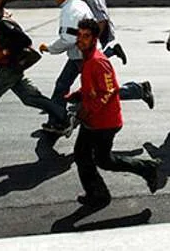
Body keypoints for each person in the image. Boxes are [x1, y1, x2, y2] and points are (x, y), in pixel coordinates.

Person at [0, 0, 72, 152]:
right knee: (30, 98)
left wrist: (3, 52)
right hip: (7, 67)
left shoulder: (3, 22)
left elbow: (24, 41)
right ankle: (64, 117)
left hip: (10, 67)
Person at [67, 19, 160, 208]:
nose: (81, 40)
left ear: (94, 39)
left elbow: (110, 91)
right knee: (98, 159)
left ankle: (100, 193)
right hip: (92, 121)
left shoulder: (98, 61)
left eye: (86, 36)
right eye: (79, 35)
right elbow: (93, 87)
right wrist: (78, 94)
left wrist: (89, 110)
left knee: (92, 158)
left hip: (105, 123)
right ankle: (100, 192)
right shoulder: (87, 59)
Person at [77, 0, 155, 109]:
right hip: (100, 39)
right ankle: (113, 53)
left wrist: (94, 39)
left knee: (98, 81)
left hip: (101, 38)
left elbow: (102, 20)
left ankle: (137, 89)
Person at [39, 0, 96, 130]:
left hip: (81, 56)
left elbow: (68, 39)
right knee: (63, 86)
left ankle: (58, 121)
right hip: (82, 55)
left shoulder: (70, 11)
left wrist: (49, 48)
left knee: (98, 91)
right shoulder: (78, 4)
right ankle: (57, 121)